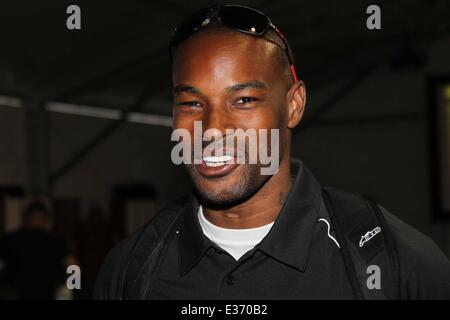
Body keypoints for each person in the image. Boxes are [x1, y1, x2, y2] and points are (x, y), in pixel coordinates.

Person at [94, 4, 450, 299]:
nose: (212, 127)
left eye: (244, 100)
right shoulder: (129, 271)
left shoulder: (394, 263)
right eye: (190, 102)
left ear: (294, 105)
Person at [0, 201, 69, 299]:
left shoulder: (11, 239)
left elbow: (72, 265)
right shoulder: (56, 240)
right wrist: (73, 287)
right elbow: (73, 266)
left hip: (21, 294)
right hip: (32, 293)